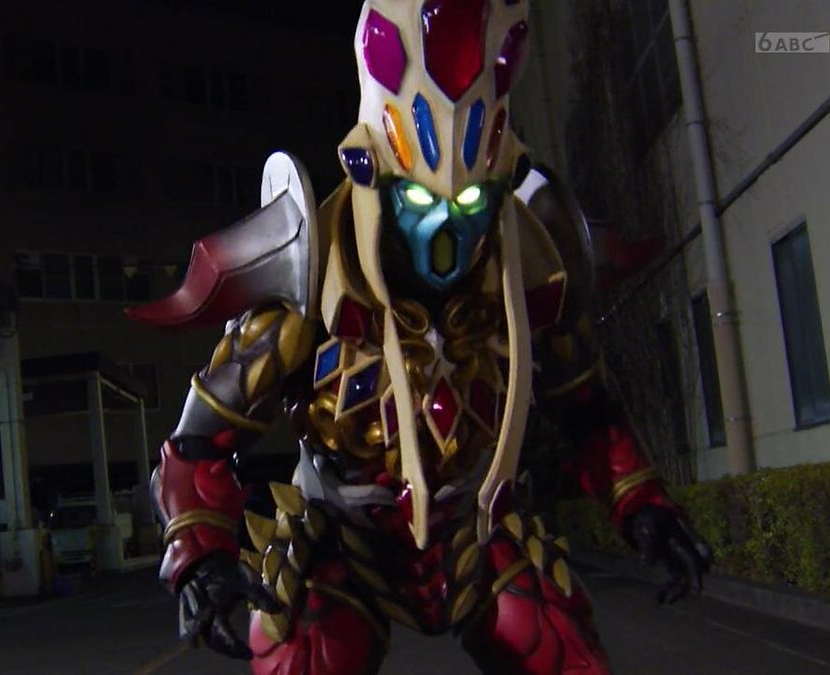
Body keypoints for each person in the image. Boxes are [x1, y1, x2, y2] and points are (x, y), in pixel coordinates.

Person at [127, 1, 711, 672]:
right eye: (423, 203)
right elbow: (198, 441)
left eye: (471, 205)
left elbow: (588, 408)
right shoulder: (310, 276)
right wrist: (200, 555)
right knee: (307, 656)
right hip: (343, 541)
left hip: (480, 531)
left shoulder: (529, 269)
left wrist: (643, 503)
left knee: (560, 653)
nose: (447, 233)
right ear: (373, 173)